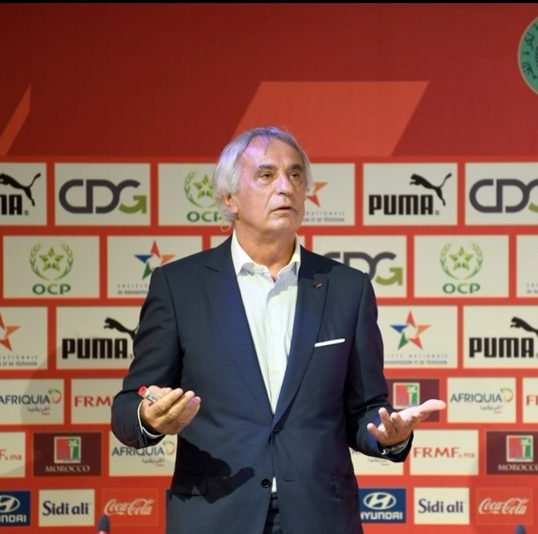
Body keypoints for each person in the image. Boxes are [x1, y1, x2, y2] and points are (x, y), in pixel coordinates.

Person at [111, 126, 445, 534]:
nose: (286, 187)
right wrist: (148, 417)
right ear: (230, 198)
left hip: (319, 517)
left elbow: (364, 411)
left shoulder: (347, 289)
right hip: (216, 516)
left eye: (295, 175)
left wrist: (390, 436)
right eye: (266, 175)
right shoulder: (179, 287)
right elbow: (127, 408)